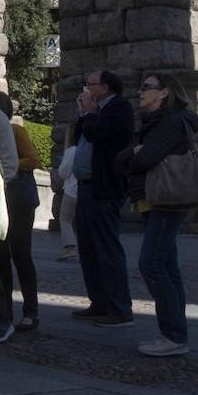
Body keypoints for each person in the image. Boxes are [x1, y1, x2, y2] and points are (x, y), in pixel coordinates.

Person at [124, 74, 198, 357]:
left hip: (168, 200)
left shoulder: (170, 122)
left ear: (165, 92)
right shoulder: (153, 123)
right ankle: (175, 333)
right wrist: (136, 152)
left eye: (147, 87)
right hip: (154, 199)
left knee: (152, 264)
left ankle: (173, 335)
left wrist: (136, 153)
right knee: (168, 266)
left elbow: (143, 159)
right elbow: (132, 156)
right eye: (141, 85)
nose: (140, 91)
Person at [72, 69, 135, 327]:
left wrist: (88, 114)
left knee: (107, 248)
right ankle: (99, 302)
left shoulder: (120, 109)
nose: (86, 89)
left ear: (105, 88)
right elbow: (81, 136)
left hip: (104, 188)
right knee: (87, 248)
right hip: (87, 187)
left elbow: (97, 133)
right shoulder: (96, 109)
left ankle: (120, 308)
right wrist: (85, 115)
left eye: (90, 85)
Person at [0, 92, 41, 334]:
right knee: (0, 257)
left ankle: (31, 311)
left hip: (18, 200)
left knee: (21, 254)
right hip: (0, 200)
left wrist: (4, 162)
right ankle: (4, 311)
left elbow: (33, 159)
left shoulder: (15, 131)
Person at [55, 127, 79, 262]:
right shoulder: (89, 149)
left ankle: (70, 249)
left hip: (71, 190)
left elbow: (63, 172)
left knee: (65, 219)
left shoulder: (71, 151)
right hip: (87, 191)